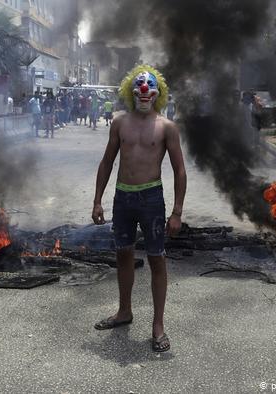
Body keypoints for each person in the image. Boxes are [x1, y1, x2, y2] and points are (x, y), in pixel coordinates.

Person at [91, 65, 187, 353]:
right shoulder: (119, 123)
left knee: (157, 259)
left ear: (158, 93)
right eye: (139, 86)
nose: (144, 91)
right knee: (124, 255)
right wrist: (97, 200)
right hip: (123, 199)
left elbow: (180, 171)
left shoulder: (166, 127)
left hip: (151, 200)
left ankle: (158, 326)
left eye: (150, 87)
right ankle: (124, 311)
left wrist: (177, 212)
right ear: (130, 91)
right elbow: (107, 162)